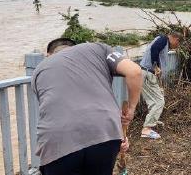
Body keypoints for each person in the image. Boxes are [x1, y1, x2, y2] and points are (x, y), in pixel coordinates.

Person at [32, 38, 143, 175]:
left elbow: (51, 109)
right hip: (104, 133)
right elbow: (135, 72)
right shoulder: (97, 48)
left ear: (48, 55)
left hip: (58, 140)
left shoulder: (39, 69)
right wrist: (131, 109)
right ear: (76, 47)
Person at [139, 32, 182, 139]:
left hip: (145, 73)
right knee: (159, 101)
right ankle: (146, 129)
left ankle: (152, 121)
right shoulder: (163, 40)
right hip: (147, 73)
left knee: (153, 101)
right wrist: (156, 66)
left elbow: (156, 50)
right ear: (176, 39)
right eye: (178, 43)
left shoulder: (162, 40)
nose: (177, 46)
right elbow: (154, 49)